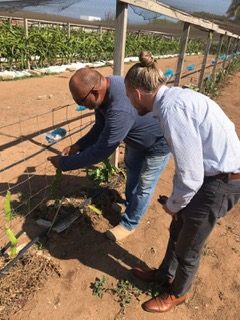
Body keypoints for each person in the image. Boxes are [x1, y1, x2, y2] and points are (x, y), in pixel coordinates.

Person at [124, 51, 240, 313]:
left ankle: (178, 293)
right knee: (179, 228)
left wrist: (174, 205)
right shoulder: (175, 98)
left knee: (189, 242)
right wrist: (179, 206)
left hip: (221, 181)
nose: (131, 103)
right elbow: (191, 165)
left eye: (129, 97)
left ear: (137, 92)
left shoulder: (171, 109)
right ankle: (165, 274)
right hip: (215, 175)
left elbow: (191, 175)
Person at [48, 67, 170, 241]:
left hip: (157, 144)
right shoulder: (106, 88)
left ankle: (130, 223)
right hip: (136, 142)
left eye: (82, 101)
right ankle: (129, 205)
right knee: (133, 174)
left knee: (144, 185)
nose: (83, 106)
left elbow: (101, 151)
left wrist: (64, 164)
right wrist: (78, 145)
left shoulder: (120, 108)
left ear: (95, 92)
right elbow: (100, 127)